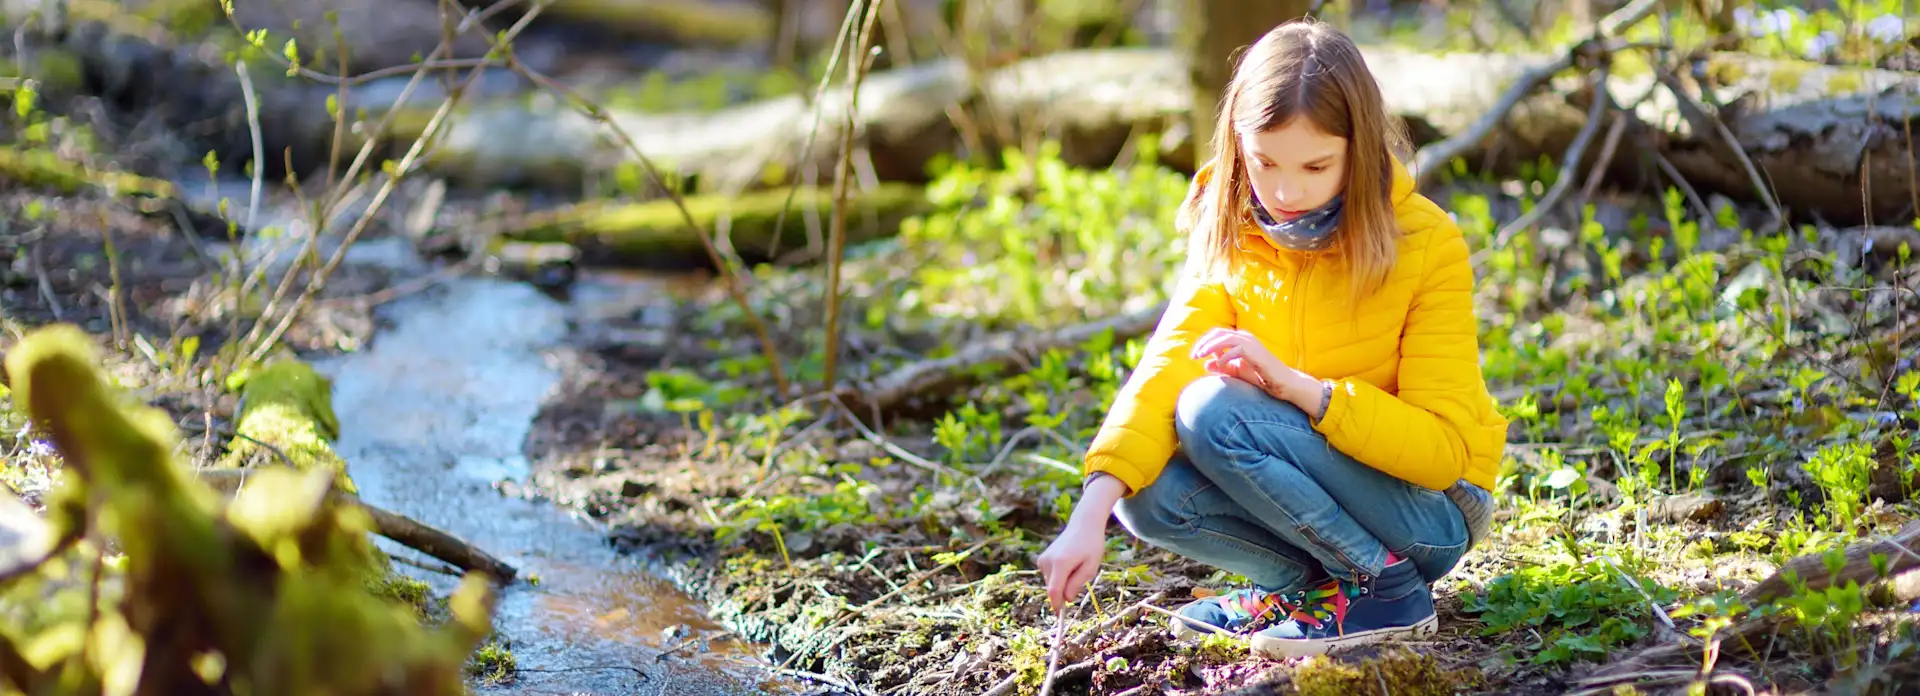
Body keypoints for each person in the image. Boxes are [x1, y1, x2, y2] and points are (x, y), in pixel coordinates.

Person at [1034, 18, 1509, 660]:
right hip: (1315, 476)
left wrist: (1300, 391)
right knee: (1139, 495)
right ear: (1238, 146)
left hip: (1430, 511)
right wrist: (1087, 515)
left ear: (1359, 149)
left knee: (1213, 411)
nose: (1285, 193)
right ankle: (1310, 591)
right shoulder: (1230, 226)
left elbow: (1444, 453)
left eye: (1316, 165)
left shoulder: (1424, 242)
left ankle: (1383, 584)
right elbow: (1166, 366)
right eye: (1264, 162)